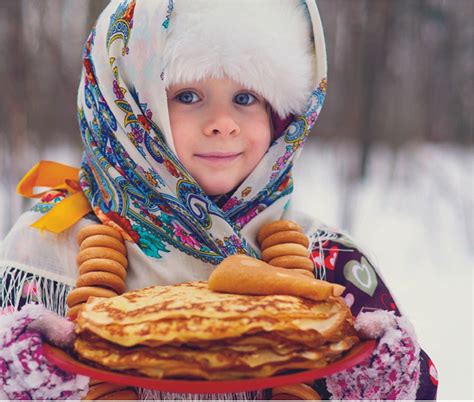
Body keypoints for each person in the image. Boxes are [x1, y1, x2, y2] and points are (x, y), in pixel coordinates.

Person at [0, 0, 438, 399]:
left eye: (246, 97)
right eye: (188, 95)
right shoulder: (48, 248)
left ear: (281, 116)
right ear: (128, 108)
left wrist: (378, 380)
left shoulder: (326, 259)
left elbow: (419, 387)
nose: (223, 123)